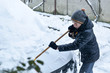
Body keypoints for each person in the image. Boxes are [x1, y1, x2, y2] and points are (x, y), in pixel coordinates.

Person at [49, 9, 100, 73]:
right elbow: (77, 37)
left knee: (84, 71)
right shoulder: (83, 27)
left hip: (91, 56)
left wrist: (58, 47)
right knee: (88, 71)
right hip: (87, 53)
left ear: (81, 22)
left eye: (75, 23)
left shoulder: (87, 32)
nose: (74, 25)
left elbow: (75, 45)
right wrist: (72, 32)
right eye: (73, 23)